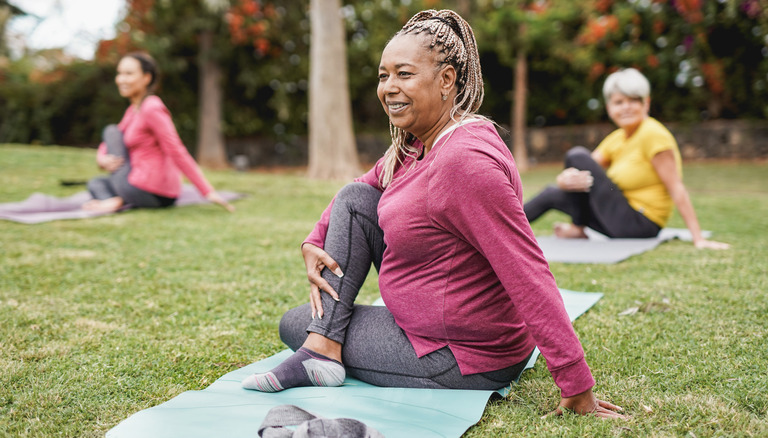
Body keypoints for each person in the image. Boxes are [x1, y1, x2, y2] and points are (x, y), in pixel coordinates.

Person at [242, 10, 626, 419]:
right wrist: (313, 239)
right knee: (356, 200)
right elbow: (361, 188)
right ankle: (323, 347)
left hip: (461, 355)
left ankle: (321, 347)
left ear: (446, 80)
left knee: (294, 322)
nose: (389, 87)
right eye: (383, 75)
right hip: (433, 329)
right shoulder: (418, 144)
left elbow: (526, 269)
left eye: (404, 74)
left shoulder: (464, 162)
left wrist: (576, 384)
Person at [524, 68, 728, 249]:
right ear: (609, 107)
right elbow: (583, 169)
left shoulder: (653, 134)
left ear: (646, 103)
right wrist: (564, 180)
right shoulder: (618, 138)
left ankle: (578, 228)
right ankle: (499, 233)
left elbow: (676, 187)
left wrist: (698, 239)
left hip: (640, 223)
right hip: (616, 218)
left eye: (633, 100)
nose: (626, 107)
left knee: (576, 154)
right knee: (552, 193)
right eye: (619, 102)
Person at [82, 52, 233, 213]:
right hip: (140, 186)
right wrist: (101, 159)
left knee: (111, 130)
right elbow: (112, 139)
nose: (121, 79)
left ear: (146, 78)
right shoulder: (133, 110)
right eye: (119, 73)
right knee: (96, 183)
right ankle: (118, 200)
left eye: (129, 73)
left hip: (151, 190)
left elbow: (176, 149)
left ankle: (118, 200)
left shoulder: (151, 107)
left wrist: (207, 191)